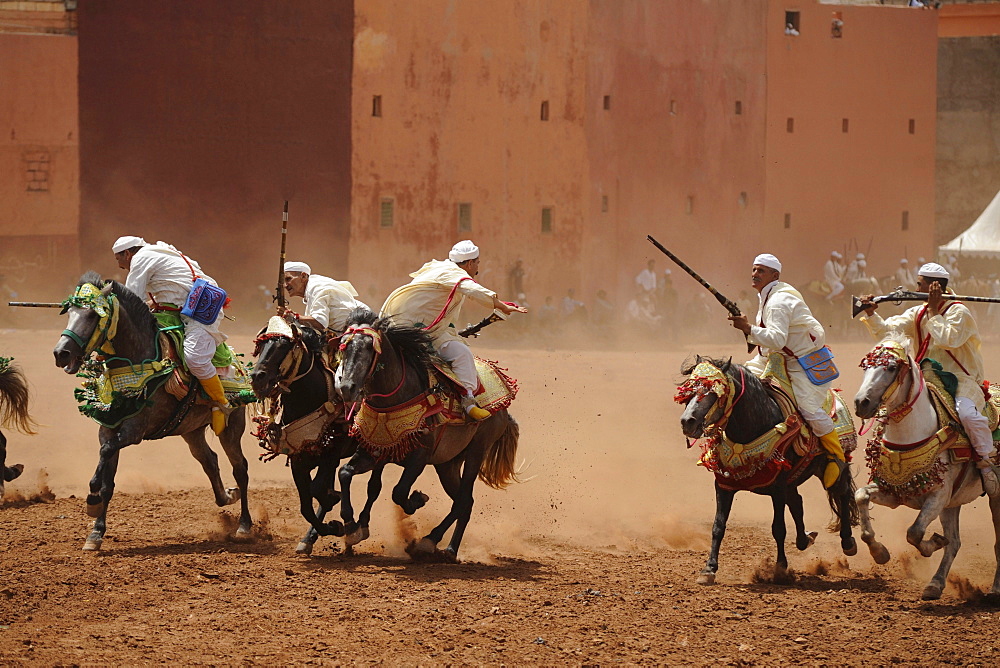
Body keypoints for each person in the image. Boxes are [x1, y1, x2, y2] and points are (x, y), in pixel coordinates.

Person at [858, 263, 1000, 498]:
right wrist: (871, 313)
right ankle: (885, 469)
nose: (916, 288)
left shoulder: (958, 312)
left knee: (967, 414)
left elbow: (948, 339)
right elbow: (887, 332)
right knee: (890, 411)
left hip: (960, 379)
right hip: (925, 378)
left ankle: (985, 463)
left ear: (934, 286)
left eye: (919, 284)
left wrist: (934, 311)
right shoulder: (919, 312)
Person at [728, 253, 847, 488]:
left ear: (775, 275)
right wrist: (750, 332)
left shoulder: (778, 301)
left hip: (802, 362)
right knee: (738, 379)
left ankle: (836, 455)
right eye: (753, 269)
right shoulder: (767, 295)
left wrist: (748, 327)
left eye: (761, 271)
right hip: (775, 357)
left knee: (808, 408)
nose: (755, 274)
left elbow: (777, 337)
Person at [381, 240, 526, 420]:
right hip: (419, 331)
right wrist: (500, 305)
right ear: (470, 263)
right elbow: (473, 289)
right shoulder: (454, 274)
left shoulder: (437, 268)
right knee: (462, 354)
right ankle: (468, 402)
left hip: (403, 326)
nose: (477, 267)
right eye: (478, 263)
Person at [112, 236, 231, 434]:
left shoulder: (141, 258)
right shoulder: (160, 252)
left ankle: (220, 403)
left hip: (201, 310)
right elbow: (168, 292)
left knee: (195, 359)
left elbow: (131, 300)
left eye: (118, 259)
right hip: (180, 310)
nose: (119, 265)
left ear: (127, 253)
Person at [281, 261, 369, 336]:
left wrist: (294, 317)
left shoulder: (316, 288)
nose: (285, 285)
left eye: (288, 279)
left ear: (303, 276)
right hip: (345, 331)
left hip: (362, 325)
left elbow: (320, 322)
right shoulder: (311, 289)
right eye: (284, 281)